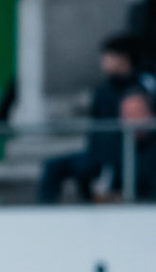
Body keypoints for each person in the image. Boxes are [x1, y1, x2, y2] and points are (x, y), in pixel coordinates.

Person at [38, 35, 143, 203]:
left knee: (89, 173)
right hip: (97, 152)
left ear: (123, 58)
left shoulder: (138, 88)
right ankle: (45, 213)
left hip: (121, 155)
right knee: (54, 166)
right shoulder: (103, 90)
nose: (103, 61)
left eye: (108, 56)